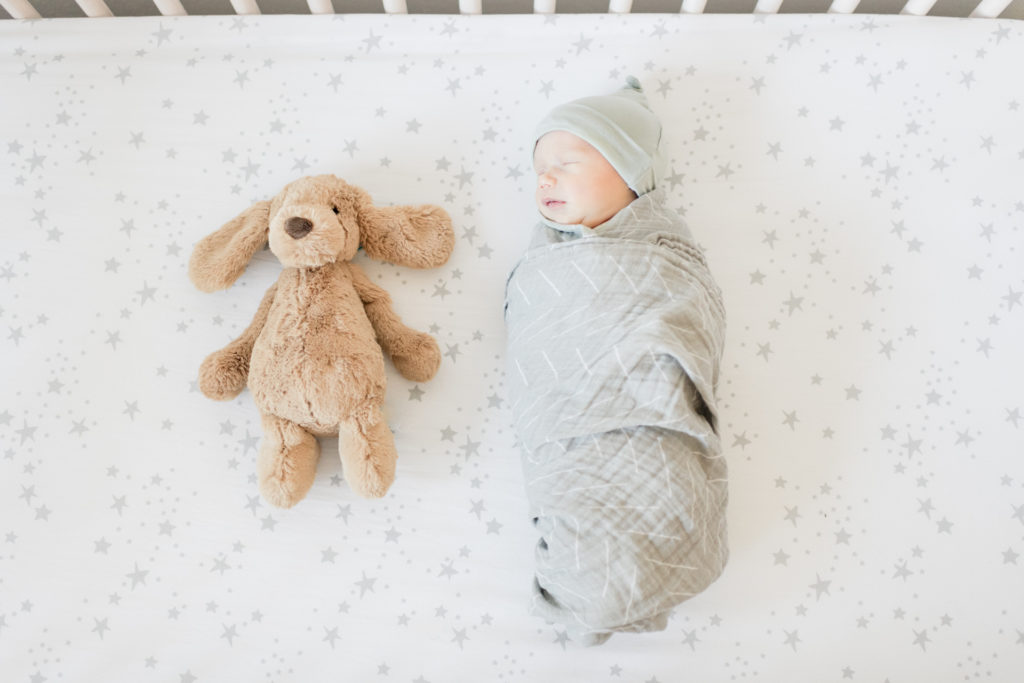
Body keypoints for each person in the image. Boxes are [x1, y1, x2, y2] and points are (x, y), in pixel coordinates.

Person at [504, 78, 729, 645]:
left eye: (566, 162)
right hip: (567, 427)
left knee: (658, 494)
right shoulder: (544, 264)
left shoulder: (669, 258)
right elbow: (540, 343)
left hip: (648, 419)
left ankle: (625, 577)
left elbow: (688, 325)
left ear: (630, 171)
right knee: (580, 515)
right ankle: (595, 589)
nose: (545, 179)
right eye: (538, 171)